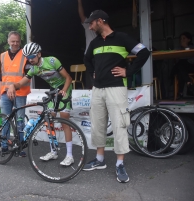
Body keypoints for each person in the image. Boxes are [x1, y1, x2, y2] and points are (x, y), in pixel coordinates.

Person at [83, 10, 150, 183]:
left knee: (120, 125)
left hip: (117, 88)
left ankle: (120, 163)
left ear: (100, 21)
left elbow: (144, 52)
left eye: (91, 23)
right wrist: (93, 74)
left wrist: (128, 71)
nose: (90, 26)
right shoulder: (95, 42)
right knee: (98, 124)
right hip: (98, 90)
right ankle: (99, 160)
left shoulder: (121, 38)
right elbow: (86, 59)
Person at [7, 42, 75, 166]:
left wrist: (64, 91)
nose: (30, 59)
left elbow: (68, 78)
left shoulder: (52, 61)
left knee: (65, 122)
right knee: (49, 121)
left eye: (32, 56)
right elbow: (21, 83)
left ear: (39, 54)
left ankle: (70, 155)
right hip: (54, 91)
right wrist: (12, 86)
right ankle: (53, 151)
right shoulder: (33, 69)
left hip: (65, 88)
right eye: (27, 57)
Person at [0, 31, 30, 157]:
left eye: (17, 41)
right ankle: (4, 146)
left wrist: (15, 87)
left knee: (20, 121)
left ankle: (20, 147)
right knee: (5, 120)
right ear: (8, 41)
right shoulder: (2, 55)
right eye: (12, 41)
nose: (15, 44)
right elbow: (2, 76)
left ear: (20, 42)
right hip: (4, 92)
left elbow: (28, 77)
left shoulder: (25, 55)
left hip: (20, 92)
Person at [77, 0, 97, 89]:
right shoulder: (88, 26)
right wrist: (79, 1)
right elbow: (81, 15)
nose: (90, 26)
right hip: (89, 55)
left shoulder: (104, 32)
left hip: (99, 55)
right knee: (90, 75)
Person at [171, 32, 194, 98]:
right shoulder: (178, 48)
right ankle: (188, 83)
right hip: (182, 69)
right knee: (180, 67)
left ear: (189, 40)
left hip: (191, 66)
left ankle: (180, 92)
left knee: (181, 64)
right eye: (181, 38)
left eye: (184, 38)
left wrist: (186, 47)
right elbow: (174, 59)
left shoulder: (192, 47)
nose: (182, 40)